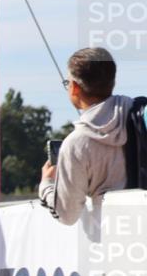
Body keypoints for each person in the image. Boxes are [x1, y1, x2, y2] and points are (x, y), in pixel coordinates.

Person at [39, 47, 132, 225]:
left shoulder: (75, 144)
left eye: (67, 83)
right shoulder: (137, 115)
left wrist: (47, 185)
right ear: (112, 81)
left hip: (116, 236)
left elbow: (67, 214)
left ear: (74, 87)